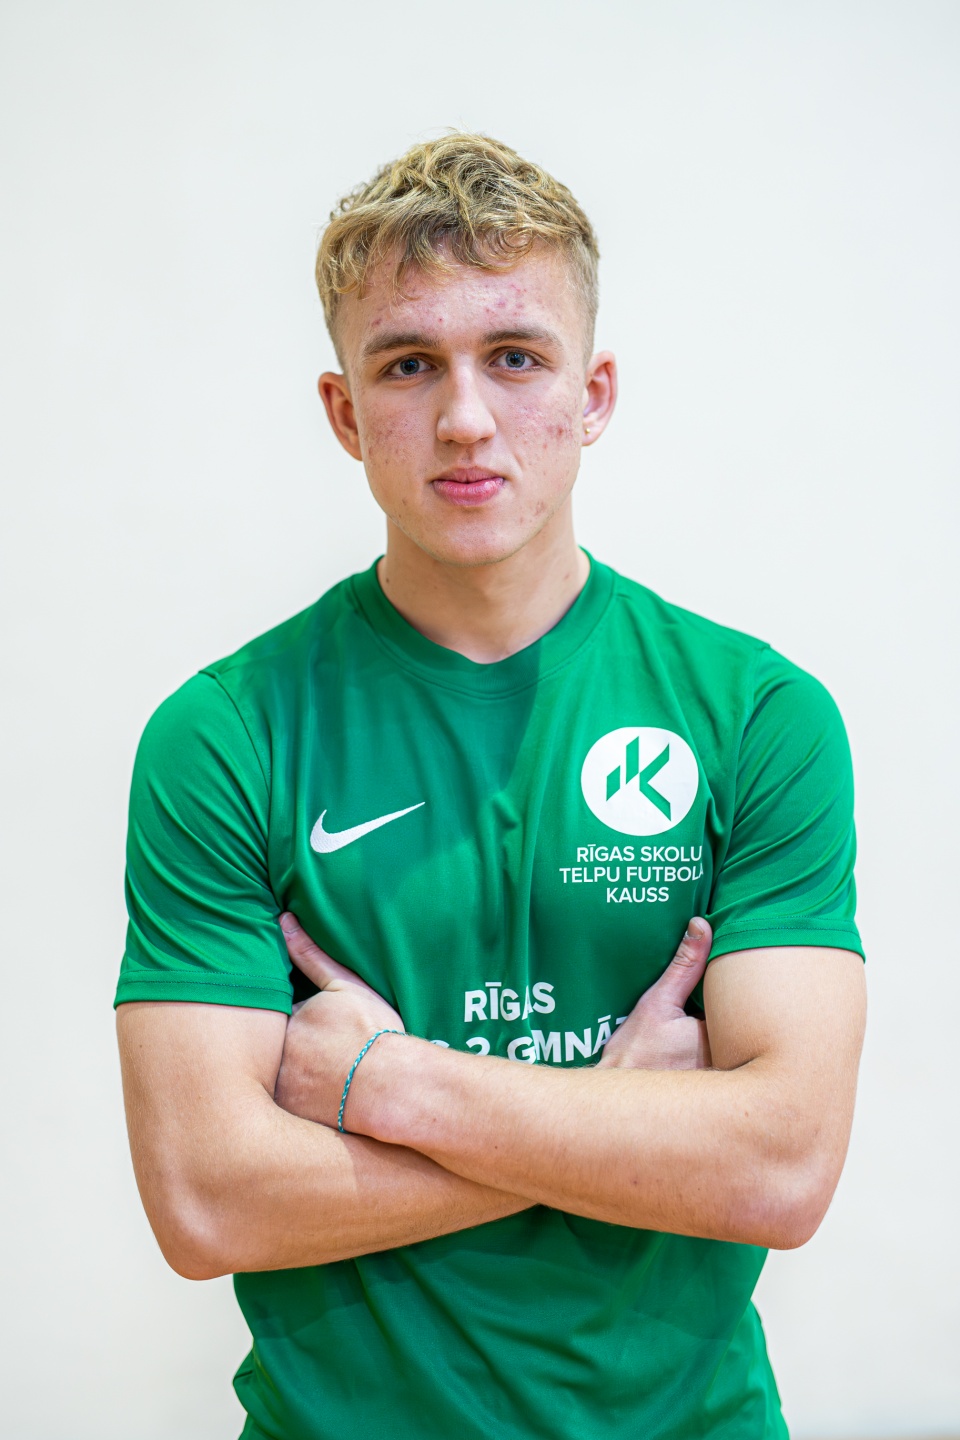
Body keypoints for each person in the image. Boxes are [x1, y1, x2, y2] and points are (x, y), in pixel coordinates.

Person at [115, 133, 866, 1440]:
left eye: (515, 356)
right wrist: (628, 1126)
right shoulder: (228, 735)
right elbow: (207, 1202)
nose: (466, 417)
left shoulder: (757, 716)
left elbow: (783, 1169)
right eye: (409, 364)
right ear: (345, 411)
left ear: (594, 393)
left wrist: (391, 1088)